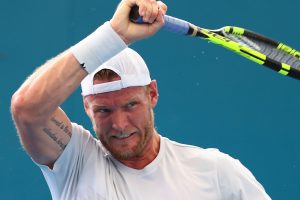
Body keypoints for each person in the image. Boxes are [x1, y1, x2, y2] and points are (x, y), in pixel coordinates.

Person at [10, 0, 271, 199]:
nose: (120, 124)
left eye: (130, 105)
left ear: (153, 94)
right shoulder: (75, 163)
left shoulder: (217, 172)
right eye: (103, 110)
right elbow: (27, 109)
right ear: (86, 107)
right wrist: (115, 35)